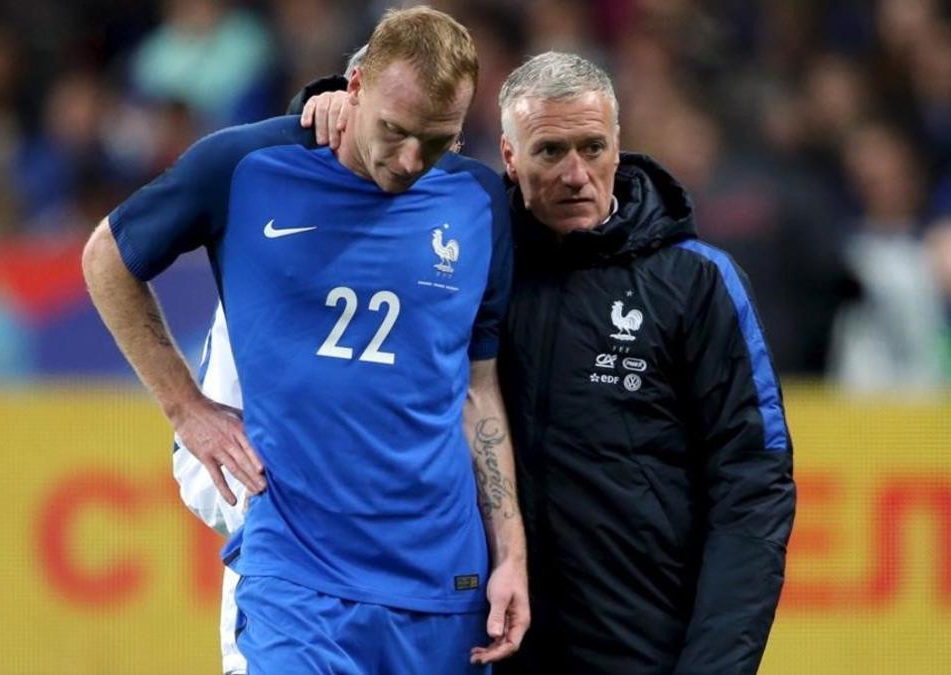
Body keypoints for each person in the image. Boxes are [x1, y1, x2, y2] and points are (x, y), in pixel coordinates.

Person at [299, 51, 796, 673]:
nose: (576, 174)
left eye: (592, 148)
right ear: (508, 158)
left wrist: (716, 664)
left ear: (619, 145)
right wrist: (325, 104)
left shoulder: (697, 283)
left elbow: (753, 486)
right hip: (478, 645)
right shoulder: (461, 261)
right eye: (549, 152)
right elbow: (376, 177)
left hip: (644, 650)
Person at [81, 7, 529, 674]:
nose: (410, 161)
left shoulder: (479, 202)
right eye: (395, 131)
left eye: (437, 141)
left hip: (442, 581)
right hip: (298, 574)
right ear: (352, 88)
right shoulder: (248, 165)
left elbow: (478, 387)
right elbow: (106, 257)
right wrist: (186, 407)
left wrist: (511, 550)